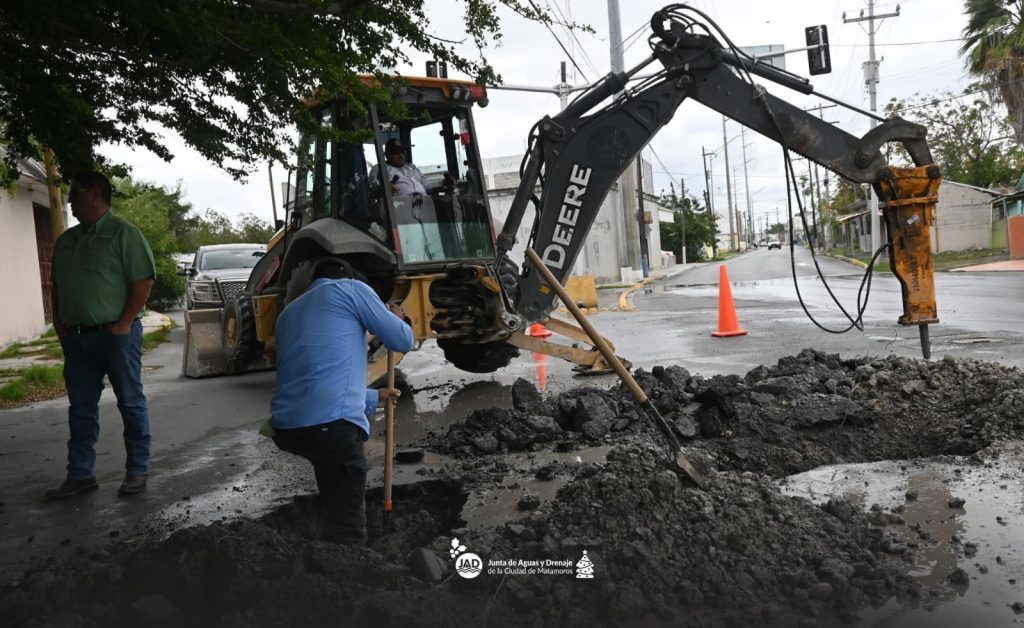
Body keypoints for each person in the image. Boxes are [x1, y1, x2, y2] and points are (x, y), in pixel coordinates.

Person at [270, 258, 414, 545]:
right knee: (348, 523)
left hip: (288, 428)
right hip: (330, 425)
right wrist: (397, 319)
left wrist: (372, 397)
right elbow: (402, 341)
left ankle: (330, 547)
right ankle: (349, 568)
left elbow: (316, 375)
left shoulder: (289, 312)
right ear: (347, 277)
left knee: (333, 479)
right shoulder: (350, 289)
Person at [46, 171, 156, 500]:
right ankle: (80, 475)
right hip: (76, 340)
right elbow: (56, 286)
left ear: (94, 195)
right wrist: (59, 323)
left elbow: (143, 282)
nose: (69, 201)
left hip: (116, 336)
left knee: (130, 403)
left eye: (75, 194)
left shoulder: (125, 234)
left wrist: (124, 322)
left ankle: (137, 470)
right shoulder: (67, 240)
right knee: (80, 408)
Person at [370, 138, 454, 196]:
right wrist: (384, 187)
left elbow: (425, 185)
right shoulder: (379, 168)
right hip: (399, 207)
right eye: (396, 153)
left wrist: (443, 182)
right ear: (386, 155)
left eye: (402, 152)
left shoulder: (412, 168)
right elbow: (374, 187)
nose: (401, 156)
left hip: (424, 204)